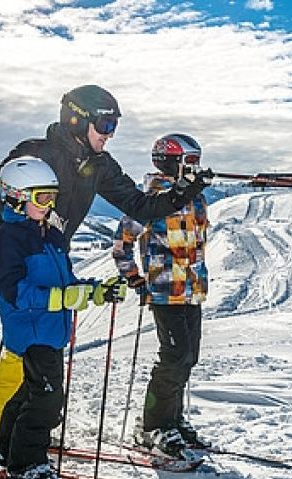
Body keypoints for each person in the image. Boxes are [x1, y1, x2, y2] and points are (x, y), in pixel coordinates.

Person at [0, 84, 210, 448]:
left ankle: (24, 430)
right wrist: (31, 222)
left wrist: (183, 193)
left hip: (54, 256)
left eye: (114, 125)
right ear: (76, 119)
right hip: (18, 256)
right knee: (19, 349)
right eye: (104, 124)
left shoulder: (99, 165)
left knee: (46, 348)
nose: (110, 134)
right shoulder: (36, 152)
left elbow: (139, 206)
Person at [0, 156, 125, 479]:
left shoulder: (50, 236)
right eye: (42, 198)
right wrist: (61, 299)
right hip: (31, 331)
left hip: (49, 331)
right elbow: (14, 292)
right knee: (47, 401)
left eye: (52, 197)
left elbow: (68, 283)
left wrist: (97, 291)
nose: (49, 205)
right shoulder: (7, 238)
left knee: (27, 396)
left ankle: (5, 454)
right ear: (16, 197)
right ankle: (27, 466)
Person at [112, 133, 212, 460]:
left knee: (189, 357)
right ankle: (152, 425)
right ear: (170, 162)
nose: (194, 169)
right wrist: (136, 281)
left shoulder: (195, 197)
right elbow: (121, 246)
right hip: (165, 291)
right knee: (174, 356)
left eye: (196, 162)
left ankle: (172, 418)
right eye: (190, 162)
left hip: (192, 290)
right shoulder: (151, 201)